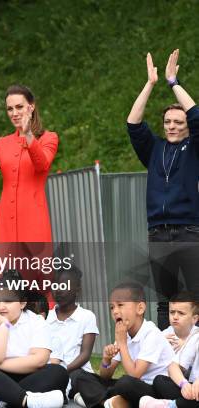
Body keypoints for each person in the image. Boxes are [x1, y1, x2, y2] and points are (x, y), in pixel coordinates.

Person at [126, 49, 199, 330]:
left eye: (178, 123)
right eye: (167, 121)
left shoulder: (194, 148)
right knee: (163, 302)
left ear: (188, 128)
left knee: (194, 298)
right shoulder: (154, 149)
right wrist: (150, 84)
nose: (171, 126)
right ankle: (162, 362)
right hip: (158, 233)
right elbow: (133, 124)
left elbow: (196, 115)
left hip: (189, 231)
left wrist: (173, 82)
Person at [0, 84, 59, 243]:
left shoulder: (48, 138)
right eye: (10, 109)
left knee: (33, 267)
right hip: (5, 221)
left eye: (19, 107)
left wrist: (28, 134)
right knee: (3, 266)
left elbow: (42, 165)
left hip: (33, 220)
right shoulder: (3, 142)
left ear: (31, 107)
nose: (14, 113)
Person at [0, 272, 68, 408]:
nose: (1, 306)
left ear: (22, 303)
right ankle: (28, 401)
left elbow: (39, 360)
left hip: (30, 375)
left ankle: (1, 400)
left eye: (8, 301)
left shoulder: (36, 321)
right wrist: (4, 326)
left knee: (58, 372)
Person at [71, 282, 175, 408]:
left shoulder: (151, 333)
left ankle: (96, 400)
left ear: (140, 308)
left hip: (153, 390)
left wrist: (122, 344)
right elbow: (106, 376)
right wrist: (106, 360)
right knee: (78, 375)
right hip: (133, 385)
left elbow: (135, 375)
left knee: (125, 383)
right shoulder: (123, 333)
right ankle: (107, 402)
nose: (115, 311)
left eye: (120, 305)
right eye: (112, 307)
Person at [46, 267, 99, 404]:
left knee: (78, 378)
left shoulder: (86, 316)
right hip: (51, 373)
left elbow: (85, 354)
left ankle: (79, 395)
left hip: (77, 373)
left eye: (64, 286)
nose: (58, 290)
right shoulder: (46, 317)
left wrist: (61, 372)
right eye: (55, 285)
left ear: (77, 289)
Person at [141, 329, 199, 408]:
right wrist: (184, 384)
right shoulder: (196, 337)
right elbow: (173, 366)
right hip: (193, 392)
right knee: (160, 380)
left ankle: (172, 405)